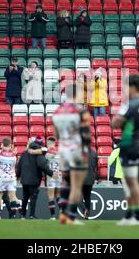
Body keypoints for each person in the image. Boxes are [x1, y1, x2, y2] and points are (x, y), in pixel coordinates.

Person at [112, 74, 139, 226]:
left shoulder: (132, 104)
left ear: (132, 86)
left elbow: (115, 122)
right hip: (135, 143)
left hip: (130, 144)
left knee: (131, 182)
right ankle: (131, 214)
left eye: (126, 86)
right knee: (129, 181)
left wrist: (118, 119)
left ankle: (137, 216)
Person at [53, 86, 90, 225]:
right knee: (76, 186)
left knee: (65, 183)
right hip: (76, 150)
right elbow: (86, 135)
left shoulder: (57, 111)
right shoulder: (80, 111)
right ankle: (72, 217)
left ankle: (63, 215)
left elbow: (56, 135)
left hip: (63, 150)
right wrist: (85, 152)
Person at [17, 137, 55, 219]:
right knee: (33, 198)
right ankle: (31, 215)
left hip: (24, 180)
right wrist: (51, 173)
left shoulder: (24, 153)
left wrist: (17, 176)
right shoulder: (39, 153)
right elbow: (42, 165)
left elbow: (19, 166)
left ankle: (22, 215)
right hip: (34, 180)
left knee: (25, 198)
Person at [0, 138, 20, 219]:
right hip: (12, 178)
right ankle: (13, 216)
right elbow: (15, 165)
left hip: (2, 177)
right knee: (12, 197)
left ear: (2, 144)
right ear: (10, 145)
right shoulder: (14, 154)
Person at [45, 137, 62, 220]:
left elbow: (44, 164)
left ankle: (52, 216)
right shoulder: (59, 153)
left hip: (51, 176)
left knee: (51, 196)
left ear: (48, 143)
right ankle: (62, 211)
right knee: (58, 195)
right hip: (59, 176)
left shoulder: (47, 153)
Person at [82, 148, 98, 219]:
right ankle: (87, 212)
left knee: (77, 196)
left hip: (81, 177)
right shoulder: (94, 153)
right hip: (91, 177)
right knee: (87, 197)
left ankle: (84, 210)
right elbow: (95, 166)